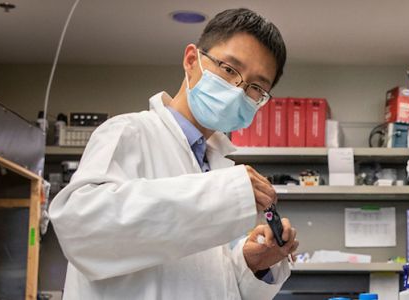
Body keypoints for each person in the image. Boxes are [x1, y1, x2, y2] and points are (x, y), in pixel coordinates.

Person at [49, 8, 298, 299]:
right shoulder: (128, 132)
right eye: (229, 69)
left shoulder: (217, 168)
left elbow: (207, 284)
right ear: (192, 60)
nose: (237, 90)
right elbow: (83, 233)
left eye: (256, 87)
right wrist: (224, 193)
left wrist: (252, 263)